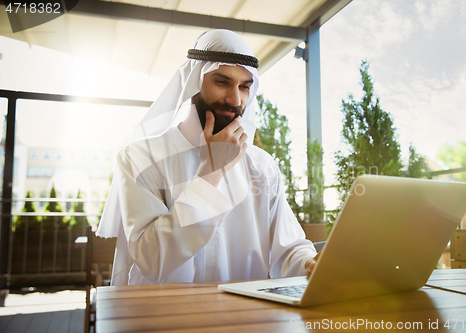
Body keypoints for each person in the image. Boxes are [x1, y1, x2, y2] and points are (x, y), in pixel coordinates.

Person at [97, 29, 318, 286]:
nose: (235, 99)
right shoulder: (140, 156)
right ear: (194, 82)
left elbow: (288, 247)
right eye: (222, 82)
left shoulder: (261, 165)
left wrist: (310, 263)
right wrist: (211, 172)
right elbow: (151, 260)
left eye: (244, 87)